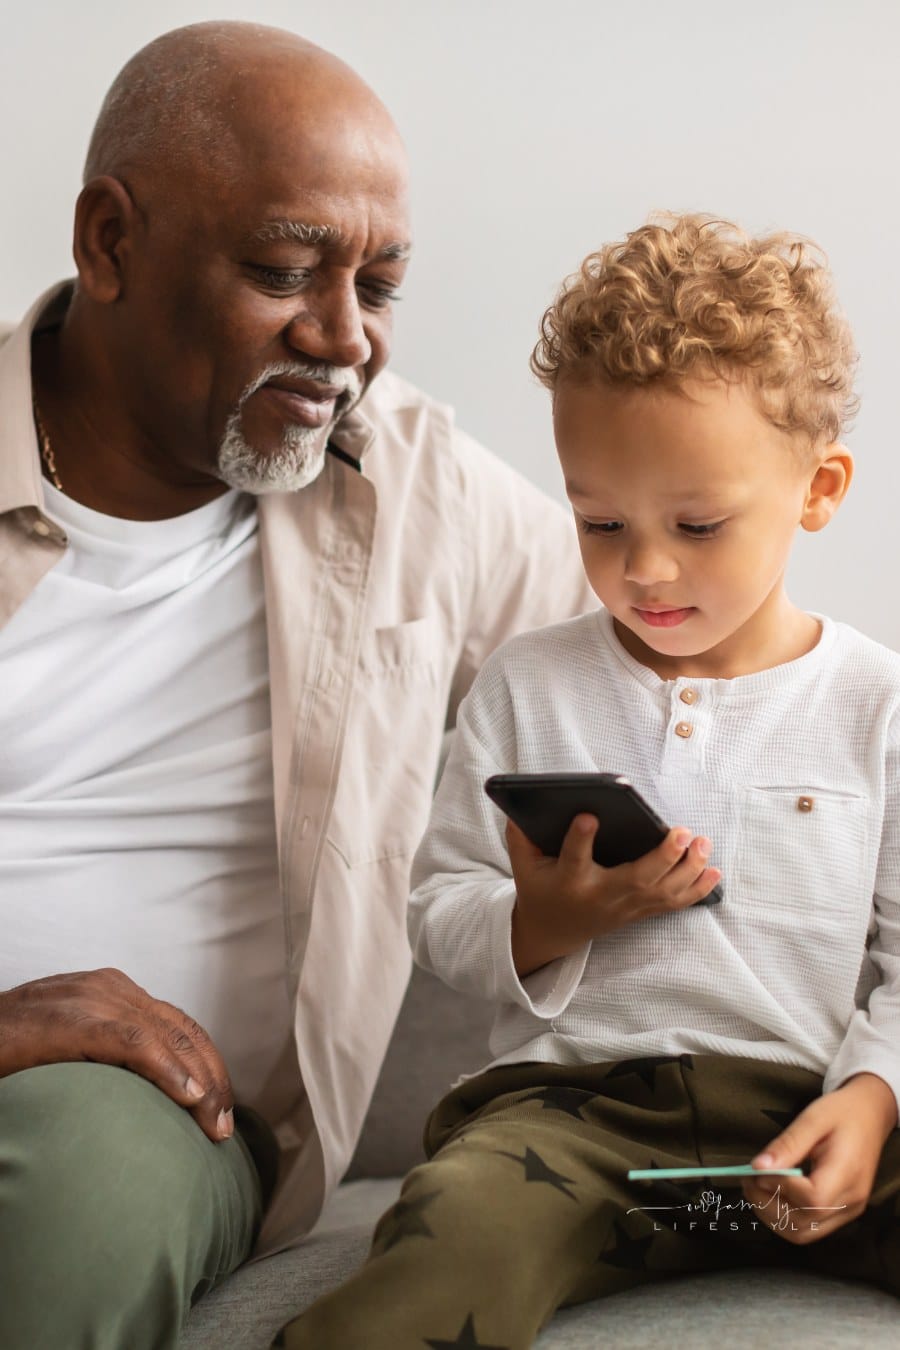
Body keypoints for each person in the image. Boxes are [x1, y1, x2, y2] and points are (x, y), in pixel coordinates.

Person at [0, 20, 594, 1349]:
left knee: (82, 1186)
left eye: (377, 286)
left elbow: (695, 659)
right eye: (282, 270)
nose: (345, 340)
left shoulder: (409, 483)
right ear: (109, 244)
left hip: (145, 1123)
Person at [284, 213, 900, 1349]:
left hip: (806, 1122)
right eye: (599, 518)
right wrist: (541, 922)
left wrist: (869, 1101)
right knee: (450, 1235)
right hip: (573, 1130)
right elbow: (438, 908)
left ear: (819, 489)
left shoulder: (877, 704)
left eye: (698, 525)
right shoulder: (530, 684)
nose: (644, 568)